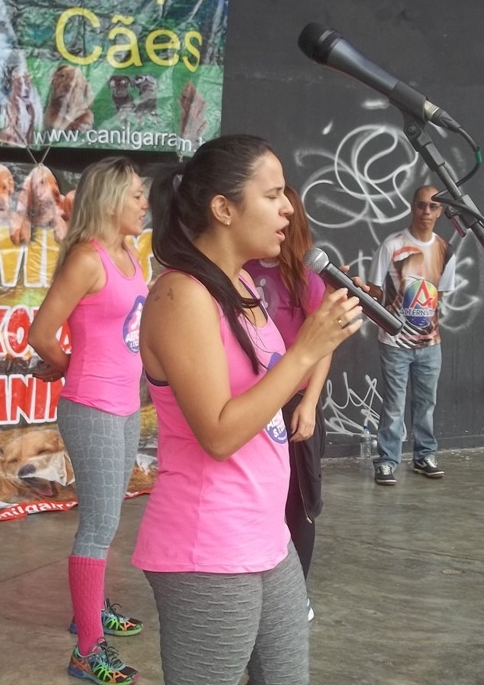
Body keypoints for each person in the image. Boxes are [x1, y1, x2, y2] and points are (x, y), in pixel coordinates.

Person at [132, 134, 361, 685]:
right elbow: (218, 433)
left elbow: (266, 396)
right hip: (208, 546)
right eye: (273, 195)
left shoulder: (238, 284)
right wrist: (304, 349)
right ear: (224, 208)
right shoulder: (181, 295)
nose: (289, 209)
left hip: (266, 535)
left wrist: (321, 343)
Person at [27, 157, 149, 684]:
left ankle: (91, 609)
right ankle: (87, 651)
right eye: (136, 195)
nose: (145, 203)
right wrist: (70, 366)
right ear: (110, 200)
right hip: (92, 406)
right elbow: (41, 333)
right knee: (98, 527)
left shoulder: (130, 254)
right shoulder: (87, 258)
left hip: (125, 405)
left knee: (109, 519)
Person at [244, 185, 330, 622]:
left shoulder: (307, 279)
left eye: (285, 212)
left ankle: (297, 597)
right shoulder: (238, 271)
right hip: (250, 403)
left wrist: (309, 404)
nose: (278, 218)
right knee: (260, 503)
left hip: (293, 403)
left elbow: (323, 346)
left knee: (298, 506)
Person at [370, 185, 457, 486]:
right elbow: (375, 290)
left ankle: (424, 456)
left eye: (433, 206)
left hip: (430, 344)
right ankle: (387, 461)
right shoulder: (392, 246)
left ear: (441, 211)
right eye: (421, 205)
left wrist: (423, 324)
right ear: (412, 207)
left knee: (426, 403)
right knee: (394, 405)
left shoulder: (445, 250)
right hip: (394, 342)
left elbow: (439, 295)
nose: (426, 212)